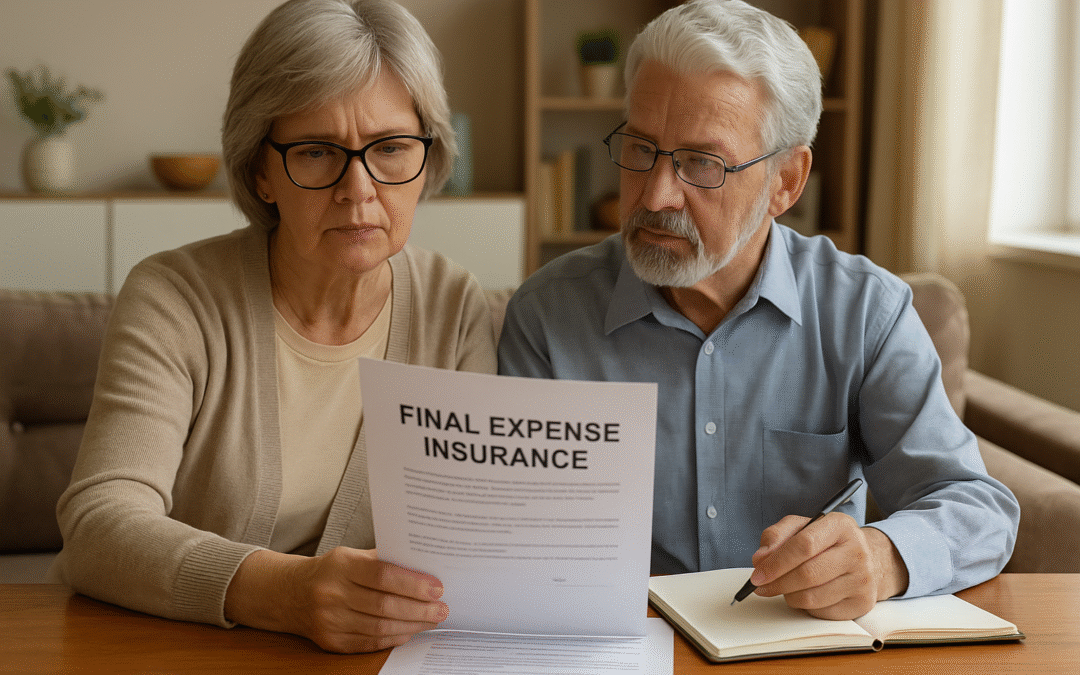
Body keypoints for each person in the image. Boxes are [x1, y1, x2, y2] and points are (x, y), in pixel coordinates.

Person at [498, 0, 1019, 621]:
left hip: (800, 649)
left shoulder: (863, 313)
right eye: (640, 148)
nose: (657, 194)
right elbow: (511, 535)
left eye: (702, 163)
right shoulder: (548, 315)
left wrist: (880, 558)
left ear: (787, 181)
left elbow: (975, 505)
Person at [50, 0, 493, 654]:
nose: (359, 189)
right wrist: (290, 593)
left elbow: (474, 529)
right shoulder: (174, 299)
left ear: (427, 160)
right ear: (261, 170)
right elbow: (99, 526)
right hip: (163, 652)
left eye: (392, 148)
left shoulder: (454, 307)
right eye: (317, 152)